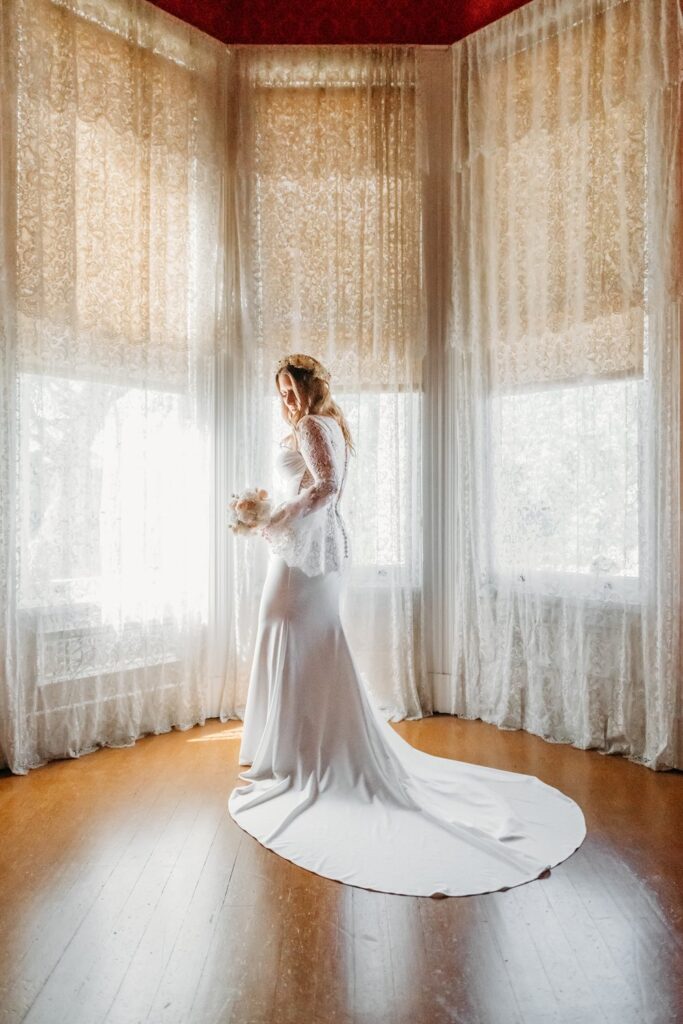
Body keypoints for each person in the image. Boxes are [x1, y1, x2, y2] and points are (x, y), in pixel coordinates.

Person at [228, 353, 586, 897]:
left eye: (293, 388)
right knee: (293, 638)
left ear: (311, 386)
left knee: (296, 636)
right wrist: (266, 510)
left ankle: (308, 756)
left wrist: (275, 516)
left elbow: (326, 489)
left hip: (309, 554)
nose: (288, 400)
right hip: (305, 548)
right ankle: (292, 749)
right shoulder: (319, 426)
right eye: (280, 392)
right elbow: (314, 487)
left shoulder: (314, 425)